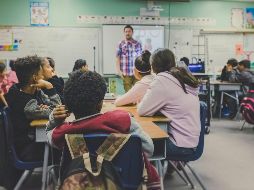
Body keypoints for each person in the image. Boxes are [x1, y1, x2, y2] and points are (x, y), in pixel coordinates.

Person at [46, 71, 160, 188]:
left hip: (82, 184)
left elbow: (48, 135)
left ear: (68, 106)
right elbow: (148, 149)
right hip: (124, 184)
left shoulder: (62, 132)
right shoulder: (123, 120)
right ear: (101, 103)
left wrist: (54, 120)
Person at [138, 48, 200, 158]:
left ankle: (151, 174)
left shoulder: (162, 80)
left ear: (153, 65)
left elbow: (142, 110)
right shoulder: (179, 76)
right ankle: (166, 169)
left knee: (135, 142)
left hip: (180, 146)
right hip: (192, 142)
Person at [5, 55, 61, 161]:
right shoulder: (26, 104)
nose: (43, 77)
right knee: (65, 146)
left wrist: (46, 109)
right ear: (35, 78)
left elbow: (53, 108)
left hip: (33, 140)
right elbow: (58, 111)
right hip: (28, 148)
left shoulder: (33, 91)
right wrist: (50, 87)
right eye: (41, 74)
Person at [116, 25, 142, 92]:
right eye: (126, 31)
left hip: (136, 72)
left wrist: (141, 71)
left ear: (132, 32)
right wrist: (119, 71)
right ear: (124, 33)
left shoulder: (138, 44)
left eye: (129, 31)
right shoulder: (120, 44)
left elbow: (140, 58)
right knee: (128, 93)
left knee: (137, 93)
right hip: (126, 73)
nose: (127, 33)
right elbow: (118, 58)